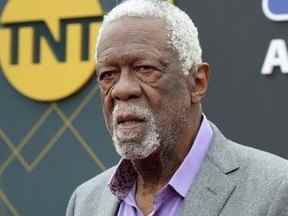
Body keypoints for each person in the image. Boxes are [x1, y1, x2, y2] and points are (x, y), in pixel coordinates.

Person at [66, 0, 288, 215]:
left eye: (144, 68)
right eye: (108, 75)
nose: (121, 89)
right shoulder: (86, 202)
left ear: (197, 82)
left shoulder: (275, 190)